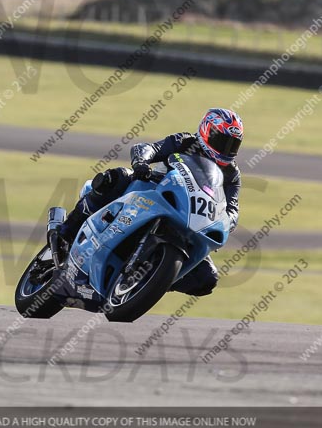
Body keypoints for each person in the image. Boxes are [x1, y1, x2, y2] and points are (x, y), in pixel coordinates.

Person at [58, 107, 243, 297]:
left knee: (207, 278)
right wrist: (141, 163)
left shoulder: (232, 175)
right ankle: (65, 233)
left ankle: (149, 281)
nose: (226, 149)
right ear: (206, 131)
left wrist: (226, 222)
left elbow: (232, 209)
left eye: (233, 145)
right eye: (222, 141)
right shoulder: (185, 141)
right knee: (116, 177)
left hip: (190, 219)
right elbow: (149, 148)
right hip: (152, 191)